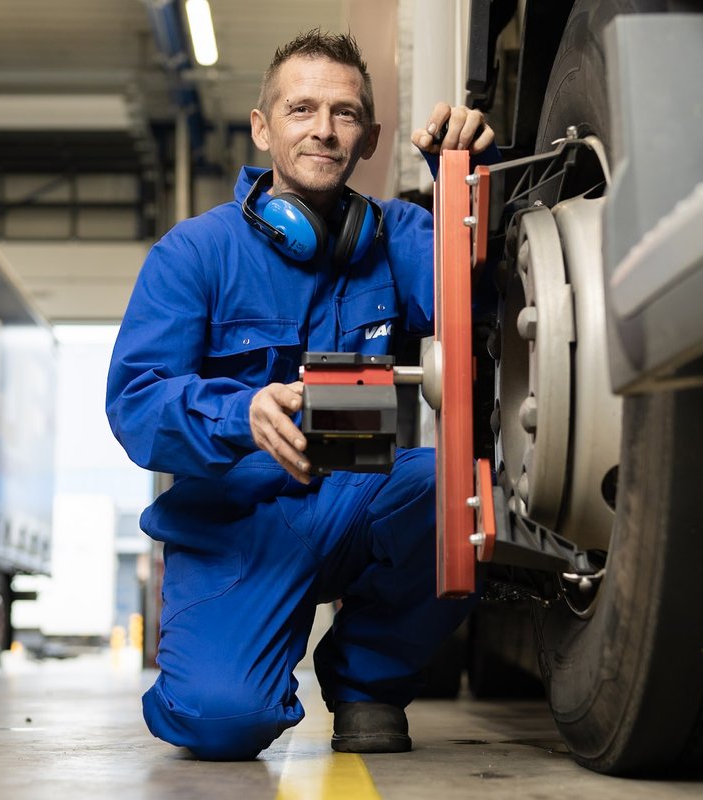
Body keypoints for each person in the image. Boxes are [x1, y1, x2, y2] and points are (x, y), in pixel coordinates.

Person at [106, 29, 495, 760]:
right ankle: (231, 655)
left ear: (370, 136)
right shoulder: (195, 253)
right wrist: (238, 414)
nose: (323, 129)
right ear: (262, 126)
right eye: (300, 108)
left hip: (356, 503)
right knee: (223, 723)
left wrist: (468, 172)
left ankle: (366, 681)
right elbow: (135, 403)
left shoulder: (400, 237)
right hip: (234, 526)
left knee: (460, 493)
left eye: (344, 114)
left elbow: (486, 298)